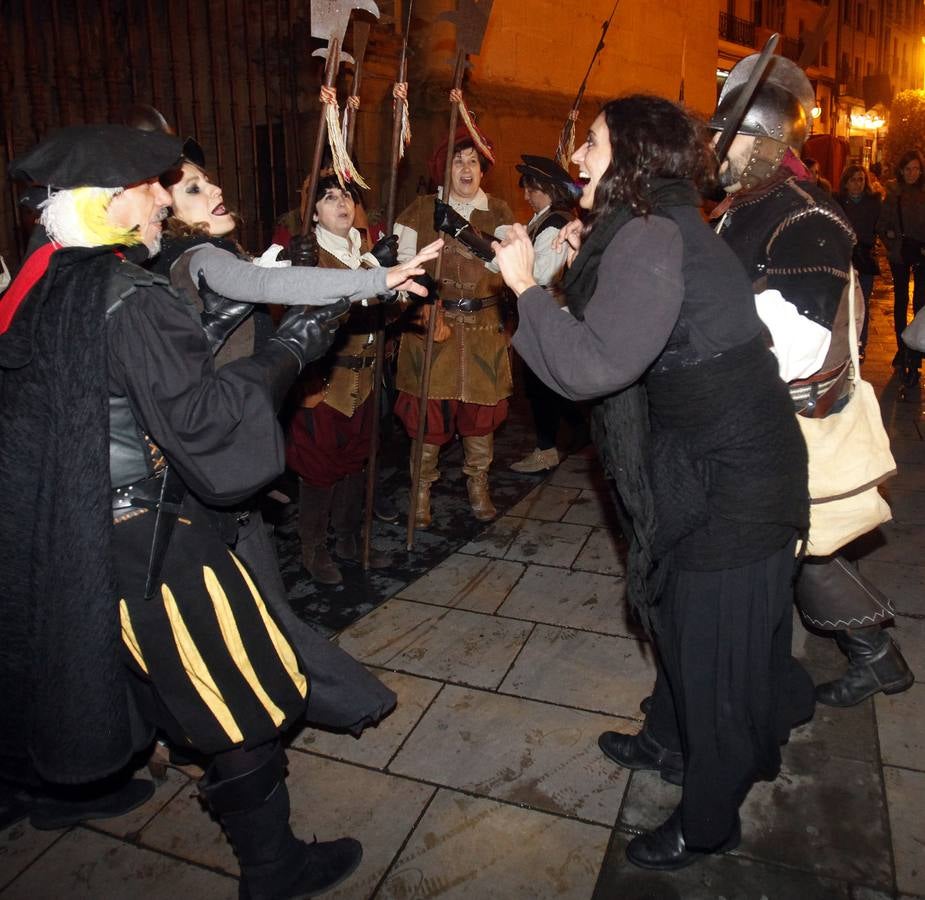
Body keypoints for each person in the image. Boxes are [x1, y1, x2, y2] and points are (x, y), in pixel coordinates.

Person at [0, 125, 432, 899]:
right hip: (151, 539)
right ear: (113, 203)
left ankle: (84, 783)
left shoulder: (50, 279)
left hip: (77, 530)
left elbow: (118, 387)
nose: (165, 195)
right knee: (237, 698)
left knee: (133, 680)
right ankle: (273, 869)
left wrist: (205, 334)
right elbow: (201, 426)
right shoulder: (126, 295)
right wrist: (290, 352)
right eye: (151, 185)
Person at [493, 95, 812, 870]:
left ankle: (708, 820)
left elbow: (594, 367)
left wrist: (527, 289)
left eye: (592, 144)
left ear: (631, 154)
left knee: (715, 659)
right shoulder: (653, 225)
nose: (577, 159)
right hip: (710, 466)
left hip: (731, 483)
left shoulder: (650, 237)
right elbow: (628, 322)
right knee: (680, 617)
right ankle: (667, 736)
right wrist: (581, 254)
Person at [149, 153, 437, 721]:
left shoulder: (192, 256)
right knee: (249, 595)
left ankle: (238, 700)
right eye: (192, 189)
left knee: (236, 592)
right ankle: (282, 699)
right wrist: (376, 277)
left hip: (208, 447)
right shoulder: (201, 256)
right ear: (169, 211)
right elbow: (265, 282)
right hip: (209, 449)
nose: (213, 190)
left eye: (209, 179)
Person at [709, 55, 913, 707]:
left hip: (793, 421)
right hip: (752, 416)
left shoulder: (804, 216)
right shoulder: (744, 204)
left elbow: (801, 346)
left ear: (764, 144)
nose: (716, 148)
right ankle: (866, 658)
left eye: (730, 135)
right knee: (791, 551)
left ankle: (875, 656)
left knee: (803, 550)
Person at [394, 127, 514, 527]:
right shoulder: (417, 212)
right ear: (443, 170)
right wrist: (421, 308)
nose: (466, 168)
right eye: (457, 160)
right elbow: (396, 275)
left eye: (473, 161)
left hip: (483, 331)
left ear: (483, 169)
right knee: (427, 419)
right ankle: (421, 491)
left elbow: (510, 268)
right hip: (432, 331)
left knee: (482, 417)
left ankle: (478, 485)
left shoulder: (500, 213)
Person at [285, 174, 401, 583]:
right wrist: (372, 270)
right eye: (329, 197)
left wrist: (394, 286)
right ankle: (313, 550)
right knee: (319, 469)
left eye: (347, 195)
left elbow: (388, 314)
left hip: (366, 379)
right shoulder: (307, 255)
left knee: (355, 462)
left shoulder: (364, 247)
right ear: (313, 211)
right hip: (323, 382)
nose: (342, 203)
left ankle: (349, 540)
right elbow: (324, 309)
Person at [507, 154, 587, 474]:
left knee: (541, 385)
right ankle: (580, 430)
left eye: (531, 189)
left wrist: (511, 263)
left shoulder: (555, 222)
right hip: (541, 310)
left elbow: (540, 271)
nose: (526, 195)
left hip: (548, 310)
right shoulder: (543, 219)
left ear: (547, 189)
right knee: (549, 383)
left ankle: (546, 449)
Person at [877, 150, 925, 384]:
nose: (912, 173)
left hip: (923, 256)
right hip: (900, 255)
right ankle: (902, 349)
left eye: (916, 168)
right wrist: (892, 240)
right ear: (901, 170)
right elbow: (882, 225)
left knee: (920, 305)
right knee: (900, 302)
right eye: (908, 169)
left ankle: (915, 356)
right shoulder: (893, 194)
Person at [836, 165, 883, 355]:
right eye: (854, 180)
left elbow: (880, 224)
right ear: (846, 183)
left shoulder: (873, 202)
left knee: (863, 300)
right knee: (844, 301)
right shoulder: (838, 201)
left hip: (864, 255)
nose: (858, 184)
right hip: (844, 255)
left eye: (861, 179)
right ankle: (843, 341)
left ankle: (861, 342)